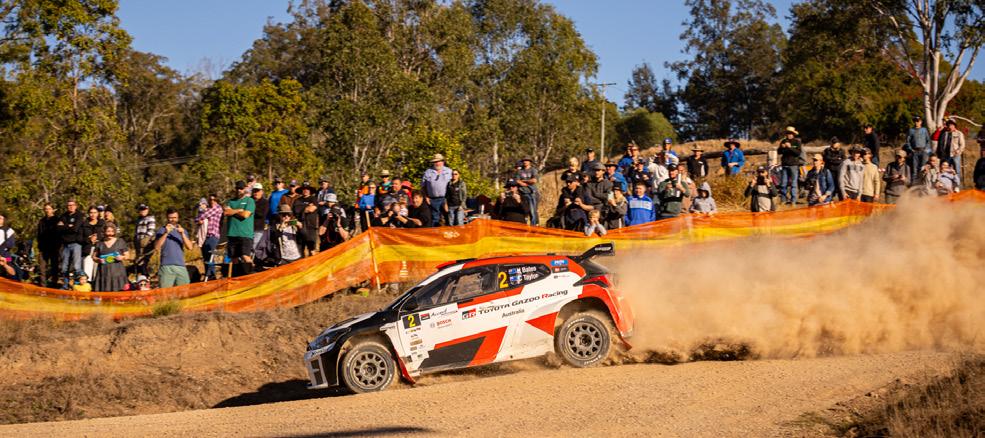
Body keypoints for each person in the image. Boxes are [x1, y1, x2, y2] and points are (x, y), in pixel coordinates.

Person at [224, 180, 256, 276]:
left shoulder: (249, 201)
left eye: (241, 188)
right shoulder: (230, 201)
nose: (239, 190)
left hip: (245, 234)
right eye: (238, 188)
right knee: (234, 258)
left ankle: (252, 274)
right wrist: (238, 210)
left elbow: (245, 215)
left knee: (245, 256)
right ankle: (237, 276)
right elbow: (226, 212)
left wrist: (233, 211)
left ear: (245, 189)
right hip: (232, 234)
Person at [154, 208, 193, 288]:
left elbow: (190, 247)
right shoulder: (161, 230)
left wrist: (182, 234)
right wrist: (166, 233)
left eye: (175, 217)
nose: (173, 220)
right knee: (165, 293)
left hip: (181, 266)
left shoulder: (183, 231)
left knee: (184, 291)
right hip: (166, 266)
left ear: (178, 218)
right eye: (170, 218)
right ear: (167, 218)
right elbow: (157, 247)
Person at [93, 223, 130, 292]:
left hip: (117, 270)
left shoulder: (120, 241)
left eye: (112, 231)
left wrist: (122, 257)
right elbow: (94, 257)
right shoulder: (99, 243)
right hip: (103, 271)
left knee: (119, 291)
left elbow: (127, 256)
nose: (110, 233)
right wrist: (98, 260)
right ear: (104, 232)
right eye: (108, 231)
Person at [57, 199, 85, 289]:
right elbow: (58, 228)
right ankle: (65, 285)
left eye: (72, 205)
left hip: (76, 244)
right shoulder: (63, 216)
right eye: (69, 205)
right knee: (64, 267)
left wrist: (64, 226)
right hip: (65, 244)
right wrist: (68, 226)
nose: (71, 207)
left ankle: (78, 286)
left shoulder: (79, 215)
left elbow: (75, 228)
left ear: (75, 206)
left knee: (77, 266)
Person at [196, 194, 223, 281]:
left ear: (217, 200)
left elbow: (202, 216)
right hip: (204, 237)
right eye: (210, 199)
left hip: (213, 236)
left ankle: (211, 276)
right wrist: (199, 218)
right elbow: (196, 219)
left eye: (214, 199)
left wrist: (200, 216)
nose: (212, 201)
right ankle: (210, 277)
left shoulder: (218, 208)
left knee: (210, 257)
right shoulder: (207, 209)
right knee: (206, 258)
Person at [422, 153, 453, 227]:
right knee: (435, 218)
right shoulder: (428, 172)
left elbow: (454, 185)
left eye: (438, 161)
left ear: (443, 161)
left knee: (448, 218)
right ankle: (435, 233)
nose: (437, 163)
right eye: (435, 162)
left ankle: (449, 232)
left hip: (446, 199)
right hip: (433, 199)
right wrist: (426, 197)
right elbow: (423, 186)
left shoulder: (449, 171)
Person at [292, 182, 320, 257]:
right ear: (301, 190)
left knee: (312, 250)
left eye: (307, 189)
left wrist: (302, 209)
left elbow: (311, 209)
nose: (306, 190)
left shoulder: (313, 199)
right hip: (300, 227)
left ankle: (313, 264)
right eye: (304, 189)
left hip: (311, 227)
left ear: (310, 190)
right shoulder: (297, 200)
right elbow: (295, 212)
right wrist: (306, 208)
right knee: (300, 250)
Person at [778, 127, 804, 205]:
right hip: (785, 165)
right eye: (788, 133)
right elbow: (779, 152)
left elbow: (798, 153)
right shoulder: (783, 141)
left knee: (793, 184)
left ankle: (793, 200)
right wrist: (782, 147)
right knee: (783, 183)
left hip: (794, 165)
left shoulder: (797, 142)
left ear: (793, 134)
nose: (789, 135)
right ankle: (783, 200)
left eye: (790, 133)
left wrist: (790, 147)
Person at [36, 203, 61, 287]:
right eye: (46, 209)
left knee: (54, 267)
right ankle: (43, 284)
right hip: (43, 247)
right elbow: (39, 234)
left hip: (54, 247)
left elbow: (59, 234)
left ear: (53, 210)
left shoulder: (57, 220)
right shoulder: (42, 221)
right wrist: (39, 245)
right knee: (42, 267)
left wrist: (58, 246)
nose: (47, 210)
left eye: (49, 209)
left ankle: (54, 284)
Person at [936, 119, 966, 187]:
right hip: (946, 156)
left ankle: (957, 186)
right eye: (949, 125)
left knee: (957, 171)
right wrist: (941, 153)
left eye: (951, 125)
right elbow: (940, 144)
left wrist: (958, 151)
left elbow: (962, 145)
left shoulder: (959, 133)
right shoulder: (944, 133)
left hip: (955, 155)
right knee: (945, 170)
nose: (950, 126)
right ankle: (946, 185)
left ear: (954, 125)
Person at [80, 206, 105, 281]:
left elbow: (106, 235)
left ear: (98, 213)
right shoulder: (84, 224)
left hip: (99, 249)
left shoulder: (102, 223)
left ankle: (96, 286)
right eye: (91, 212)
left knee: (97, 270)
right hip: (87, 249)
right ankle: (88, 285)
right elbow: (79, 238)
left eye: (95, 212)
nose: (93, 214)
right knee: (87, 270)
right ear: (88, 213)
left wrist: (98, 238)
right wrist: (89, 240)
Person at [133, 203, 157, 277]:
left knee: (144, 261)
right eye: (141, 209)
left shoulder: (150, 218)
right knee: (139, 261)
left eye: (144, 209)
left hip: (147, 244)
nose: (143, 211)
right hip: (138, 244)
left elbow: (151, 231)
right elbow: (136, 231)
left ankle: (147, 276)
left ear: (148, 210)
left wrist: (145, 240)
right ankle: (141, 277)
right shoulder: (138, 220)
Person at [905, 117, 931, 182]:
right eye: (915, 121)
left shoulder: (924, 130)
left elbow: (928, 140)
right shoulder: (911, 130)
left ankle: (923, 183)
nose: (916, 122)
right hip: (915, 151)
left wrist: (926, 150)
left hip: (923, 151)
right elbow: (907, 141)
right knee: (914, 168)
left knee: (923, 168)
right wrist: (911, 150)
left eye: (918, 121)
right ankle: (914, 184)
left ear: (921, 122)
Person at [515, 158, 539, 225]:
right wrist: (523, 182)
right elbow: (517, 181)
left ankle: (533, 226)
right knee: (523, 211)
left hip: (531, 193)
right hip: (522, 193)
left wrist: (523, 181)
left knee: (532, 211)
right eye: (523, 161)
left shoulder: (533, 170)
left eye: (526, 160)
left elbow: (534, 181)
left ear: (530, 162)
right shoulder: (520, 171)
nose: (525, 162)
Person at [251, 184, 269, 251]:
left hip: (258, 229)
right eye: (254, 191)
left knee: (255, 248)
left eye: (258, 191)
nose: (256, 193)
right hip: (247, 229)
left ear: (262, 192)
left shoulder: (265, 202)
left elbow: (262, 214)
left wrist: (250, 211)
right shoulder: (248, 200)